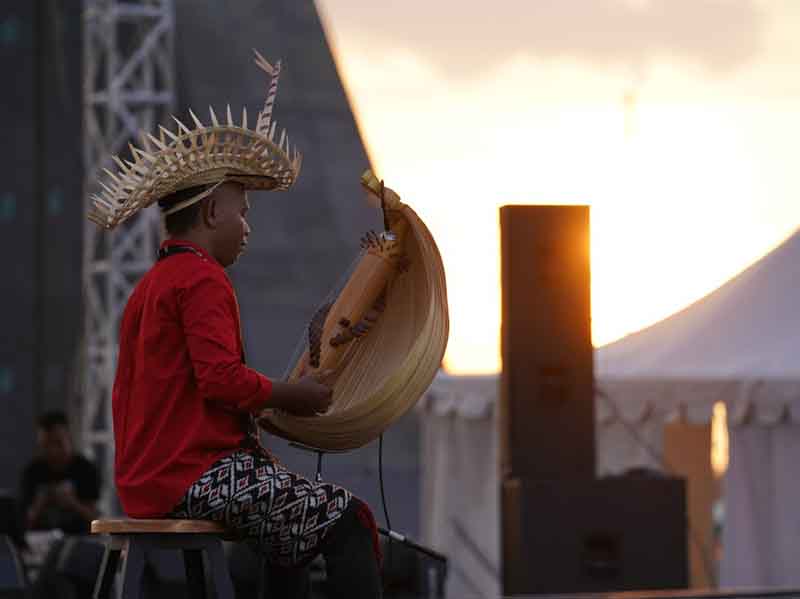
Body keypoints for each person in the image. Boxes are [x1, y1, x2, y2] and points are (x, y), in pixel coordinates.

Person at [99, 52, 382, 599]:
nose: (247, 226)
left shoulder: (154, 283)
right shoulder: (201, 279)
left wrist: (278, 396)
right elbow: (220, 381)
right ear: (210, 215)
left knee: (290, 539)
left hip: (149, 479)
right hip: (191, 477)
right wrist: (292, 394)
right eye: (243, 210)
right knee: (350, 521)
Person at [20, 411, 100, 534]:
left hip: (80, 539)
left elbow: (97, 521)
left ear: (69, 439)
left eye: (58, 443)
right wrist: (39, 503)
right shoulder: (32, 472)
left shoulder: (85, 469)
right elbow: (21, 524)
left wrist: (72, 502)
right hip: (40, 541)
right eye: (46, 445)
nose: (53, 451)